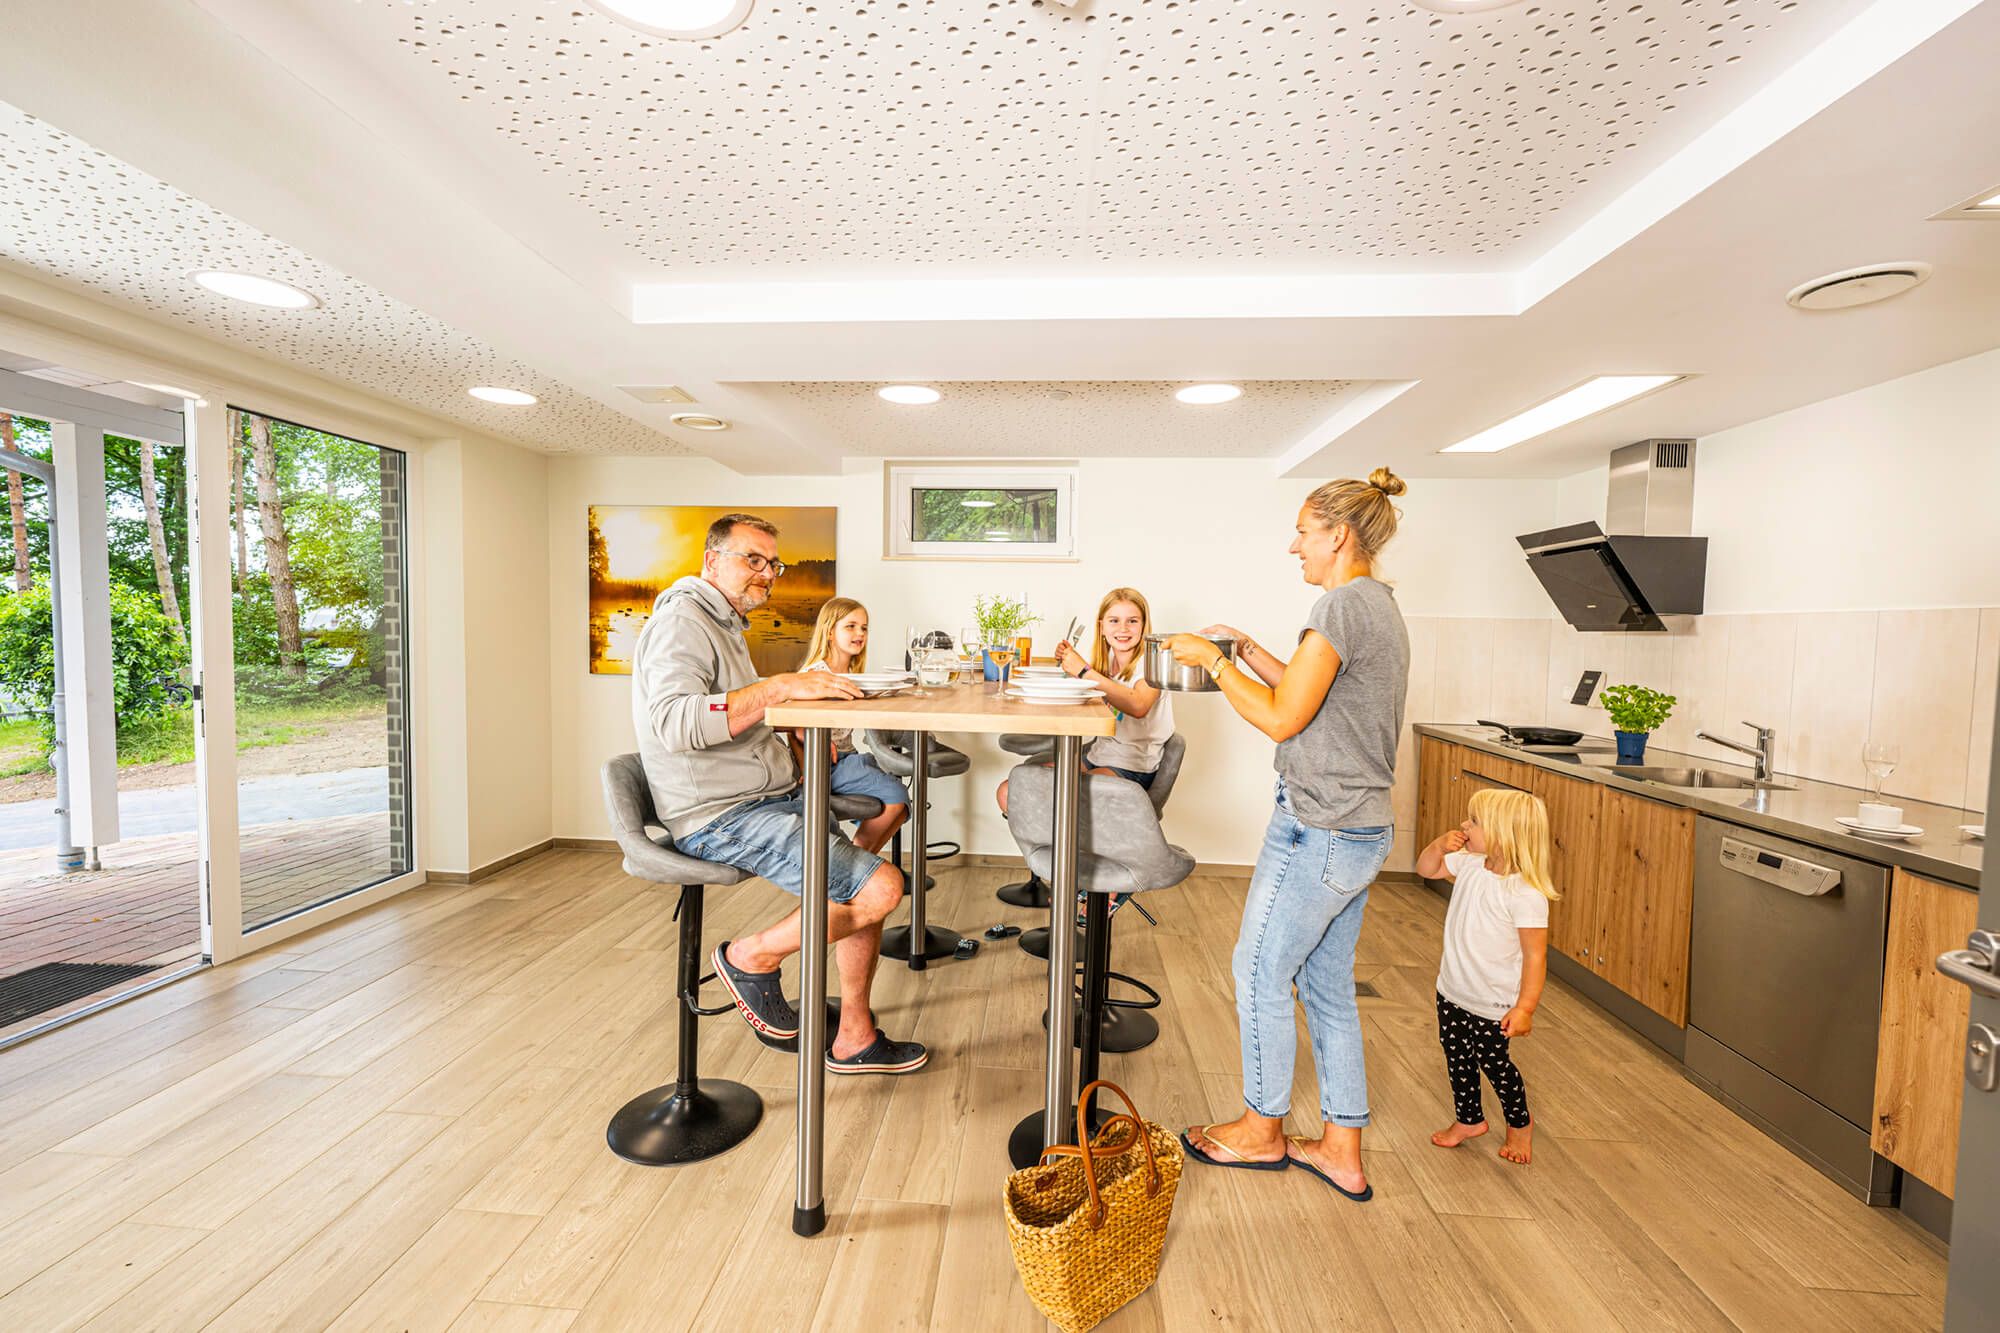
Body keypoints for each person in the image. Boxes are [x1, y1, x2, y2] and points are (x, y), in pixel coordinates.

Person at [1167, 467, 1410, 1203]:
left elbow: (1281, 718)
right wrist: (1244, 649)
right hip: (1360, 826)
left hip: (1321, 826)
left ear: (1339, 535)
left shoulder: (1340, 606)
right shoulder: (1376, 604)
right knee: (1327, 984)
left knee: (1257, 969)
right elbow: (1309, 692)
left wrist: (1213, 662)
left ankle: (1260, 1128)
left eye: (1304, 532)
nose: (1293, 545)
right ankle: (1341, 1148)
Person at [630, 513, 927, 1075]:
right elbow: (675, 722)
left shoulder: (723, 623)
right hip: (721, 814)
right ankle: (750, 956)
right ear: (712, 560)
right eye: (753, 560)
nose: (766, 573)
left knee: (864, 881)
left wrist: (785, 720)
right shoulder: (682, 621)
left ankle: (856, 1037)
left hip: (766, 798)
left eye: (773, 564)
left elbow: (737, 713)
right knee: (882, 886)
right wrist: (780, 687)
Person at [1414, 787, 1554, 1166]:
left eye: (1474, 821)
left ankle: (1519, 1124)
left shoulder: (1525, 894)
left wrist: (1525, 1008)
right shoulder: (1470, 864)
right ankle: (1469, 1119)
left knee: (1494, 1064)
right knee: (1457, 1057)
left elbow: (1535, 956)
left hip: (1492, 1002)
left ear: (1503, 834)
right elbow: (1426, 869)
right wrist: (1437, 847)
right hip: (1452, 990)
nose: (1464, 825)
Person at [796, 597, 911, 855]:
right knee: (896, 795)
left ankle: (859, 866)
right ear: (829, 632)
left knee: (897, 803)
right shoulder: (816, 676)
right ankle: (853, 866)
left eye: (864, 628)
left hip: (849, 758)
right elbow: (792, 724)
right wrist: (810, 753)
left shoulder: (851, 674)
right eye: (850, 626)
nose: (860, 633)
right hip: (827, 763)